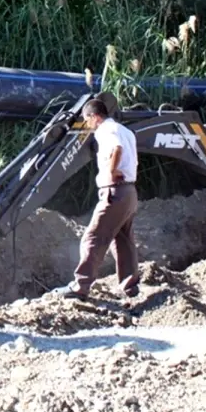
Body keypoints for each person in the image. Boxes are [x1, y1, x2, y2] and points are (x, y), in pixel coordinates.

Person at [69, 97, 140, 299]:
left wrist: (112, 169)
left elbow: (116, 148)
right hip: (129, 192)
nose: (87, 125)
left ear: (94, 117)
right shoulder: (125, 131)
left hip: (114, 192)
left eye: (87, 120)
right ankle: (130, 287)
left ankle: (81, 286)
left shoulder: (105, 131)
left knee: (93, 237)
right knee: (124, 240)